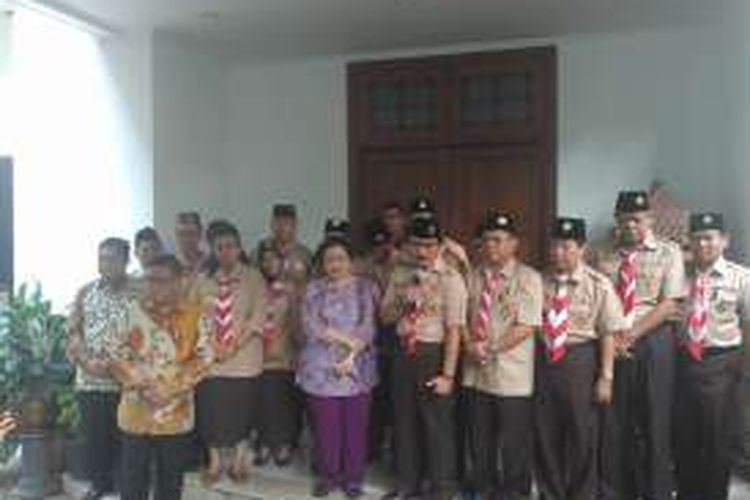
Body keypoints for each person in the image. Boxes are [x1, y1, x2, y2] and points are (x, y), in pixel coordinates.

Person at [592, 191, 687, 500]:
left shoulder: (669, 252)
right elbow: (593, 298)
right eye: (623, 219)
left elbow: (669, 302)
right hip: (610, 341)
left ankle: (656, 491)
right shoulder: (600, 252)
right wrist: (614, 338)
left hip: (653, 339)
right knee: (615, 421)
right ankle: (617, 490)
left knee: (655, 418)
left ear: (649, 219)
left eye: (637, 218)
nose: (630, 224)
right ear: (616, 222)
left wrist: (630, 334)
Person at [111, 254, 214, 500]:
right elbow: (115, 353)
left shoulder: (197, 315)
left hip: (175, 415)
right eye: (149, 279)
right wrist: (143, 385)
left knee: (170, 481)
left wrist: (171, 388)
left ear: (179, 281)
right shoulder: (130, 312)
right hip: (136, 411)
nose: (153, 285)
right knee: (132, 479)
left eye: (161, 280)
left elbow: (205, 357)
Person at [535, 217, 624, 500]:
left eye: (566, 246)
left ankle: (582, 493)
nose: (558, 252)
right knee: (546, 432)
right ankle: (551, 492)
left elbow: (608, 333)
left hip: (581, 360)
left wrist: (606, 377)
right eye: (554, 246)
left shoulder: (599, 284)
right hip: (545, 360)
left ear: (581, 248)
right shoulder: (537, 281)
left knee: (582, 434)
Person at [380, 217, 467, 500]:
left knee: (437, 425)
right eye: (417, 244)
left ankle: (442, 488)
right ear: (409, 245)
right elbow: (384, 315)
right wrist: (404, 301)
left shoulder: (451, 279)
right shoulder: (400, 274)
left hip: (434, 354)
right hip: (403, 353)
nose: (423, 251)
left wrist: (448, 375)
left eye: (430, 245)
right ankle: (408, 483)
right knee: (404, 421)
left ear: (440, 246)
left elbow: (454, 330)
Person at [461, 211, 542, 499]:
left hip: (512, 375)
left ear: (513, 244)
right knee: (480, 438)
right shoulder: (472, 275)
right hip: (476, 372)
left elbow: (527, 325)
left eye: (498, 240)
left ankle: (515, 492)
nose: (491, 246)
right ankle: (484, 488)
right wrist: (470, 344)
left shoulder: (529, 278)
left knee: (514, 442)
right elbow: (460, 320)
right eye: (486, 241)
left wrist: (490, 348)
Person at [674, 212, 750, 500]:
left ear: (724, 240)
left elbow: (748, 325)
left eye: (709, 237)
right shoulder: (679, 275)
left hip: (722, 362)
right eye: (696, 238)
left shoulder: (740, 278)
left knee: (717, 438)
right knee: (684, 436)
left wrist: (742, 370)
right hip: (683, 362)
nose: (702, 244)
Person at [298, 237, 380, 498]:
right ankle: (328, 475)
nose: (335, 264)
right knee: (326, 425)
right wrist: (346, 342)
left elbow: (368, 326)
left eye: (340, 258)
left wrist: (350, 356)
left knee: (355, 425)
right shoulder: (313, 289)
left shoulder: (366, 288)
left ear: (351, 261)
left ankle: (353, 477)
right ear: (322, 263)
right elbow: (311, 326)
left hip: (358, 367)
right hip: (321, 367)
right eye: (329, 259)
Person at [194, 220, 265, 484]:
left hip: (244, 357)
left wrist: (233, 345)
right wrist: (214, 345)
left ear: (239, 248)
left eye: (231, 246)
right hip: (211, 359)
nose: (226, 251)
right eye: (220, 247)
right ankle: (214, 461)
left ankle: (240, 457)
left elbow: (257, 316)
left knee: (242, 409)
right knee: (210, 410)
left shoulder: (254, 277)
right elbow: (196, 317)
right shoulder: (202, 281)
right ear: (213, 250)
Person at [66, 237, 135, 500]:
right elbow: (73, 330)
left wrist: (117, 363)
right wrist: (86, 361)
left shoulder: (138, 292)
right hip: (90, 379)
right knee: (95, 437)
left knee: (127, 438)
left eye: (112, 258)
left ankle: (126, 486)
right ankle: (99, 484)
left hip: (125, 379)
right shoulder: (86, 291)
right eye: (102, 257)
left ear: (126, 261)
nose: (105, 263)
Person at [254, 242, 301, 467]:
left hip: (283, 352)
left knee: (283, 400)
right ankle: (263, 442)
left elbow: (297, 322)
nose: (268, 263)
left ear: (282, 262)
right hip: (258, 354)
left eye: (273, 258)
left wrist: (296, 350)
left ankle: (283, 444)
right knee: (262, 401)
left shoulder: (291, 288)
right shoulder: (255, 287)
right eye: (264, 259)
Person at [251, 204, 313, 290]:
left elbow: (312, 285)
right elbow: (251, 281)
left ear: (295, 225)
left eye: (287, 223)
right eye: (278, 222)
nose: (282, 227)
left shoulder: (305, 254)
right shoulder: (259, 252)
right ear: (272, 225)